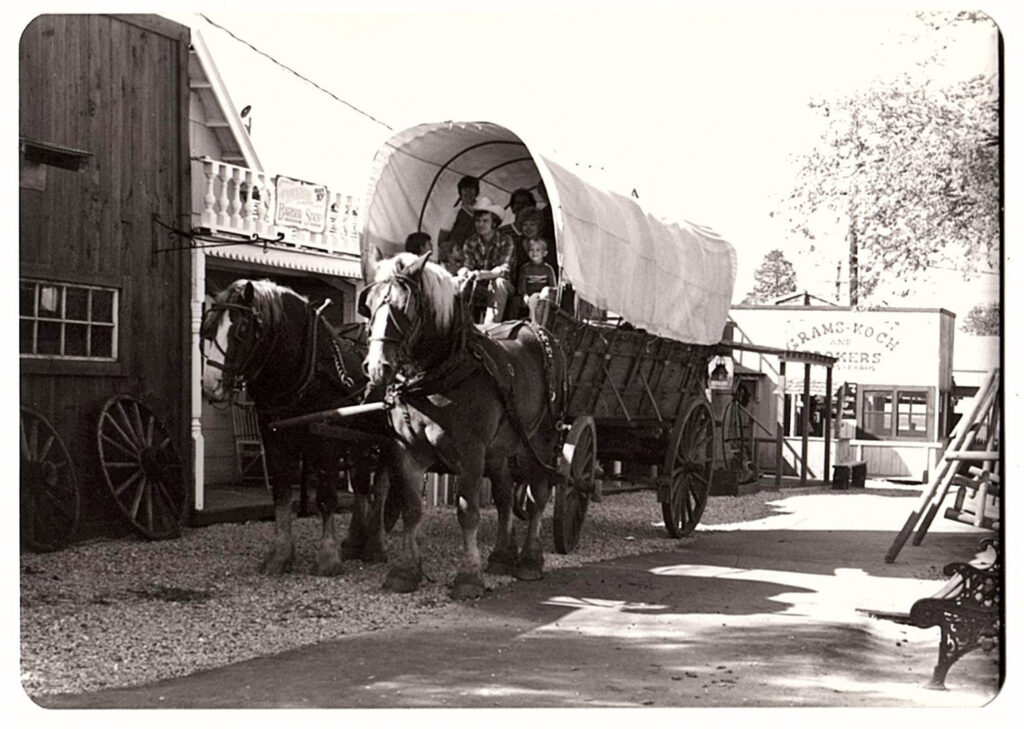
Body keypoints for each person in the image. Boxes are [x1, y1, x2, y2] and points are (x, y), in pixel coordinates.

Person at [459, 196, 515, 324]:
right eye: (478, 221)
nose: (480, 224)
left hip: (504, 288)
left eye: (485, 221)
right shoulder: (471, 242)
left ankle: (490, 328)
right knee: (458, 281)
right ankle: (461, 325)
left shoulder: (506, 241)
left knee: (499, 283)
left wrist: (486, 274)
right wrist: (464, 271)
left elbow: (504, 269)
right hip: (478, 286)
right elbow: (468, 264)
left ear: (494, 223)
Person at [516, 236, 557, 321]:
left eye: (538, 250)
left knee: (535, 299)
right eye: (531, 250)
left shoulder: (548, 269)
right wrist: (524, 295)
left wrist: (546, 293)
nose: (534, 253)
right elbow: (522, 286)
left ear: (544, 253)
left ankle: (534, 324)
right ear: (527, 252)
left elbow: (553, 286)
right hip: (528, 296)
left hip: (543, 296)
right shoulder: (525, 268)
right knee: (515, 302)